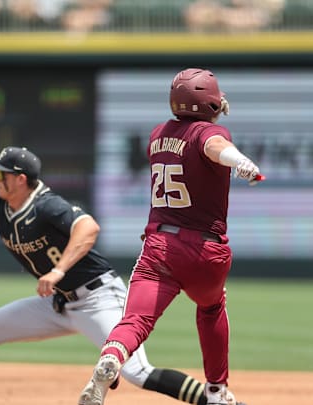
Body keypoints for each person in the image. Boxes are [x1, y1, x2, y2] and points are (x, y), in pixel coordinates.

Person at [0, 104, 243, 405]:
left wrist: (58, 271)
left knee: (139, 372)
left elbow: (88, 227)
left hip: (98, 297)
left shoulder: (47, 205)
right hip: (56, 303)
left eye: (2, 173)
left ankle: (214, 399)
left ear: (21, 179)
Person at [78, 68, 261, 405]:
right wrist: (240, 161)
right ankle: (217, 391)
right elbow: (213, 145)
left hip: (160, 245)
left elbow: (194, 137)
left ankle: (113, 357)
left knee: (134, 321)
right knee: (211, 308)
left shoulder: (157, 134)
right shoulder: (211, 130)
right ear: (207, 101)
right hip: (206, 249)